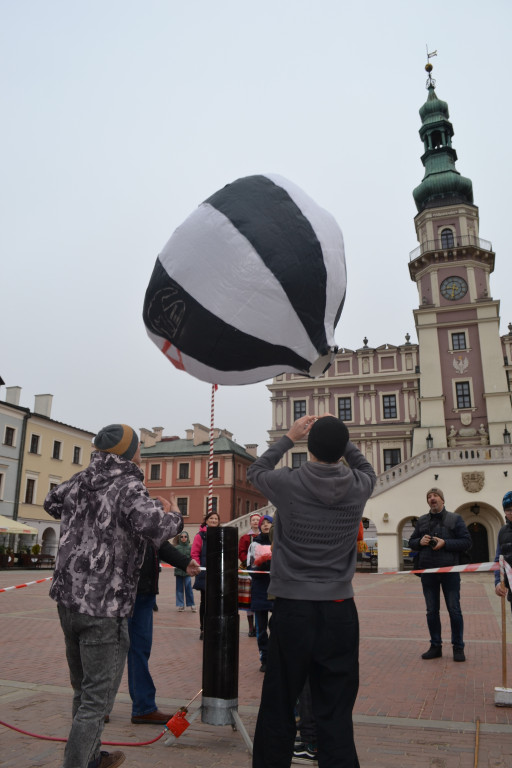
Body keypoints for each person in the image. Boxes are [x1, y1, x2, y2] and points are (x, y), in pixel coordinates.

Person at [44, 423, 184, 768]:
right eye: (138, 445)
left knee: (83, 689)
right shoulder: (128, 484)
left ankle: (90, 756)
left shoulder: (79, 480)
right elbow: (156, 528)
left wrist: (86, 518)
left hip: (68, 601)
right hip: (104, 605)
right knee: (97, 699)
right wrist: (174, 514)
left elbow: (51, 501)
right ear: (130, 451)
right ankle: (79, 764)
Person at [248, 414, 376, 768]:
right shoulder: (360, 484)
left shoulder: (289, 483)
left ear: (310, 448)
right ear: (342, 450)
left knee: (278, 702)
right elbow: (366, 465)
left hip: (293, 608)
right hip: (339, 608)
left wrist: (289, 437)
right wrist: (340, 437)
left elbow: (256, 470)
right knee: (335, 709)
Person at [128, 540, 200, 725]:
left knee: (139, 650)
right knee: (115, 650)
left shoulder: (147, 516)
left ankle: (142, 707)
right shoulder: (128, 512)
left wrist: (184, 562)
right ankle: (99, 706)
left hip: (143, 591)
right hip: (124, 589)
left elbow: (159, 541)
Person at [408, 487, 471, 662]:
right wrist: (419, 541)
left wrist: (445, 543)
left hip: (450, 571)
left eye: (435, 495)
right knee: (431, 611)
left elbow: (466, 542)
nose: (432, 498)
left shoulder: (455, 519)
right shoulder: (421, 521)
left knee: (454, 610)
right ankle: (435, 646)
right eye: (429, 496)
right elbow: (411, 542)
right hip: (428, 572)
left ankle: (458, 647)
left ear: (442, 500)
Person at [247, 514, 273, 672]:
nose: (265, 525)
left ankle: (275, 655)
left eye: (268, 523)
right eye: (263, 523)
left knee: (276, 624)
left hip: (277, 589)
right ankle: (265, 657)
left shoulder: (280, 542)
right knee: (261, 628)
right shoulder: (254, 544)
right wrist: (259, 569)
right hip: (259, 588)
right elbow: (250, 566)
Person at [191, 510, 220, 640]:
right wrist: (198, 567)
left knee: (216, 602)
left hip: (218, 573)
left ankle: (214, 627)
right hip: (204, 572)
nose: (214, 520)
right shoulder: (200, 536)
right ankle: (203, 628)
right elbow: (195, 553)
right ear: (206, 520)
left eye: (216, 519)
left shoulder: (221, 534)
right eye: (211, 518)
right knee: (205, 602)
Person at [238, 512, 262, 637]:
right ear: (250, 522)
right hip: (247, 570)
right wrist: (248, 563)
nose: (255, 522)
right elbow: (241, 551)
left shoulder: (264, 536)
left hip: (261, 569)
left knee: (258, 597)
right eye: (253, 520)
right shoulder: (245, 538)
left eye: (258, 520)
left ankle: (259, 626)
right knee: (248, 599)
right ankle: (251, 627)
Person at [494, 491, 512, 609]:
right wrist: (498, 582)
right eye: (508, 509)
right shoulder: (503, 531)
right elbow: (498, 559)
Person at [174, 531, 196, 612]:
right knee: (179, 589)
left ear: (188, 538)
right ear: (180, 538)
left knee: (188, 588)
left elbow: (193, 558)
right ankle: (180, 605)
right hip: (178, 571)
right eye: (182, 537)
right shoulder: (176, 548)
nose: (183, 538)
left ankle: (192, 604)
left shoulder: (191, 548)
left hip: (187, 572)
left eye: (185, 537)